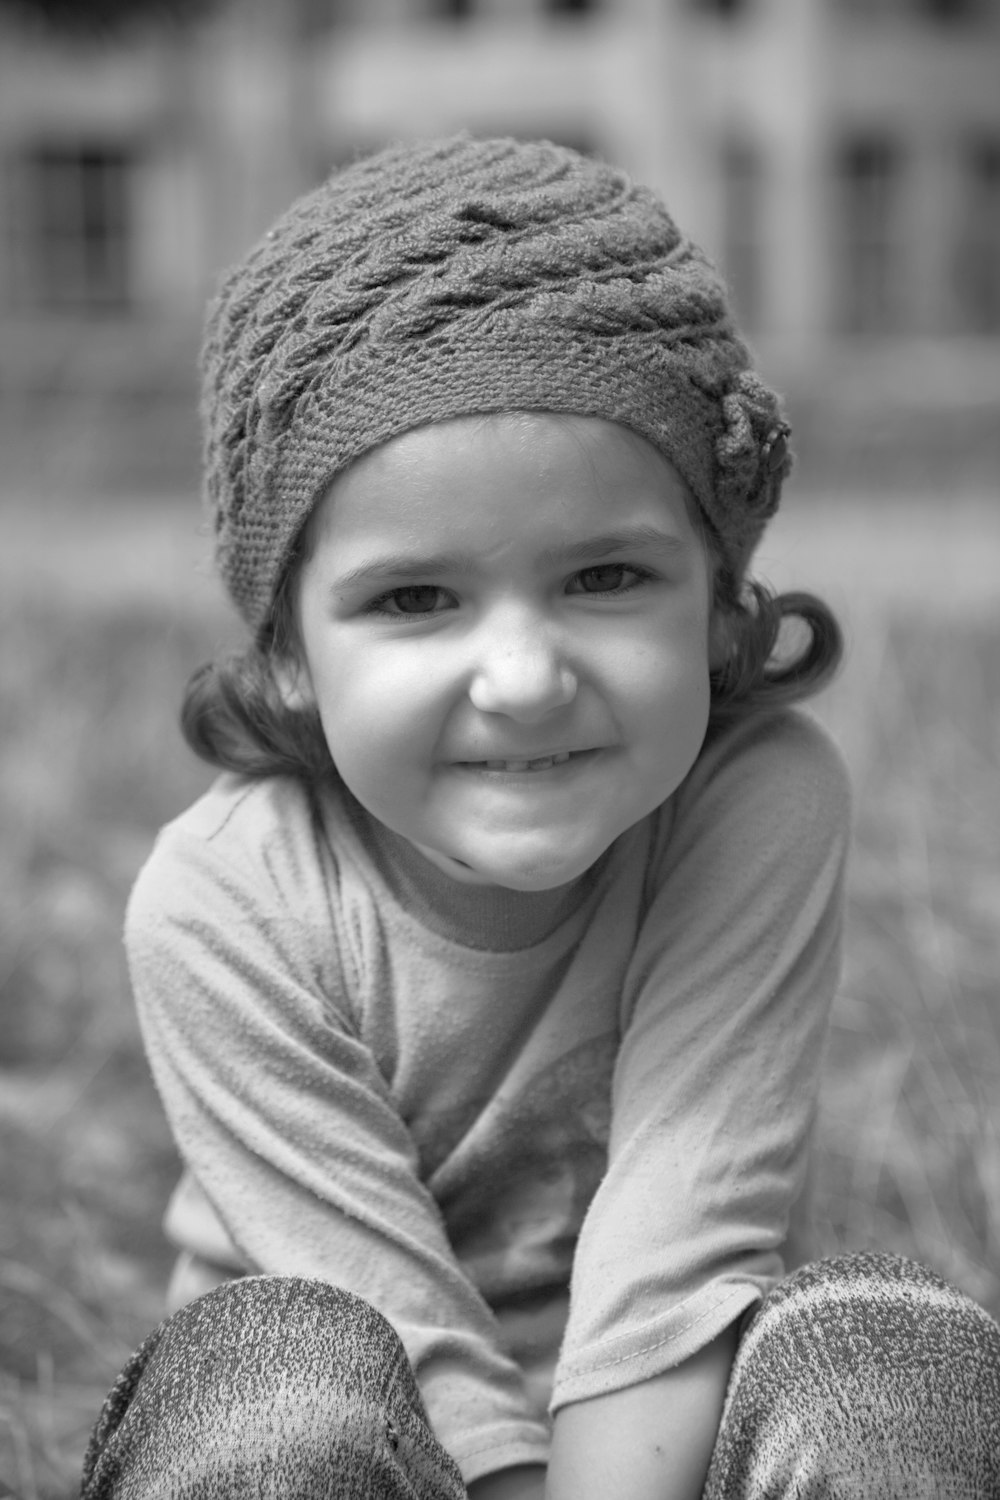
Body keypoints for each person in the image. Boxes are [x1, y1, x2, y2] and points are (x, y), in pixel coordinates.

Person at [81, 135, 1000, 1500]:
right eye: (413, 600)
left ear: (720, 603)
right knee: (284, 1385)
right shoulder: (221, 899)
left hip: (672, 1436)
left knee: (890, 1362)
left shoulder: (752, 804)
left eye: (607, 575)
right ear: (284, 649)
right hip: (362, 1434)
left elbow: (682, 1233)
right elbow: (387, 1309)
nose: (522, 679)